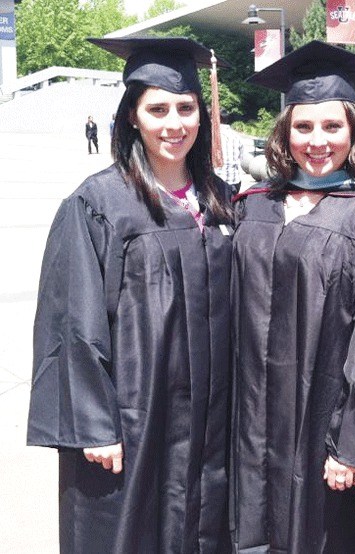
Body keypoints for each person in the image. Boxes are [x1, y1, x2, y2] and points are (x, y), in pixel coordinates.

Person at [27, 37, 233, 553]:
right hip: (134, 417)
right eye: (157, 109)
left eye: (186, 108)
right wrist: (95, 426)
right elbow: (72, 321)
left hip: (210, 422)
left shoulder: (221, 200)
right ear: (132, 118)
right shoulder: (98, 202)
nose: (174, 123)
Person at [230, 41, 355, 553]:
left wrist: (352, 445)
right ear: (285, 132)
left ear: (354, 132)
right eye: (303, 126)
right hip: (248, 421)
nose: (317, 140)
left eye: (332, 126)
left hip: (320, 428)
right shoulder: (254, 204)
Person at [214, 108, 244, 193]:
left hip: (218, 182)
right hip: (235, 181)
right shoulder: (236, 136)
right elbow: (241, 159)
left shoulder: (213, 136)